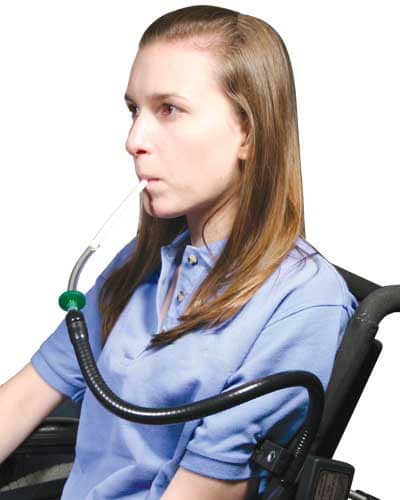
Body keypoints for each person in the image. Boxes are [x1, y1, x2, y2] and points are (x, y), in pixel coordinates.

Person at [0, 5, 358, 500]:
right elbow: (22, 400)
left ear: (249, 133)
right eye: (134, 110)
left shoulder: (302, 303)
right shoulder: (142, 262)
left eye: (169, 109)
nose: (134, 140)